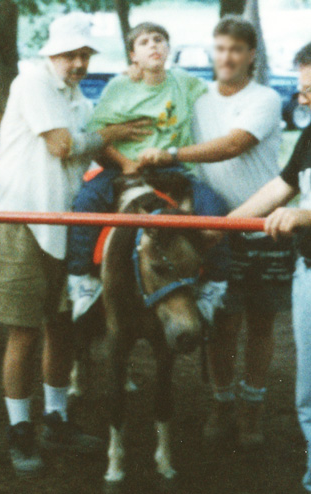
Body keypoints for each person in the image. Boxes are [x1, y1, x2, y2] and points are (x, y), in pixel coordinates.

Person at [0, 12, 150, 477]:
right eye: (70, 54)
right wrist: (112, 136)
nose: (78, 63)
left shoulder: (75, 97)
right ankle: (19, 429)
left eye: (84, 55)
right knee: (24, 330)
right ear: (51, 54)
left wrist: (129, 163)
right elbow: (64, 145)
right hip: (24, 221)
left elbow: (95, 138)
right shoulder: (30, 83)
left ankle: (56, 418)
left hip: (66, 225)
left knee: (62, 328)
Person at [138, 16, 287, 448]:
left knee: (261, 324)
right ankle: (222, 400)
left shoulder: (266, 97)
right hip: (213, 230)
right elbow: (157, 88)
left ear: (251, 55)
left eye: (236, 49)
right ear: (212, 51)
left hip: (264, 225)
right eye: (220, 48)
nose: (227, 57)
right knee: (222, 323)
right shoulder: (198, 99)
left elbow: (233, 144)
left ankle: (253, 405)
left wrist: (169, 153)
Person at [67, 22, 229, 323]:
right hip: (127, 168)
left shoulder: (184, 82)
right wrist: (125, 163)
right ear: (133, 55)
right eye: (144, 42)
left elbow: (221, 88)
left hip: (171, 168)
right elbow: (98, 135)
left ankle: (213, 284)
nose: (153, 45)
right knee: (87, 201)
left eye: (159, 40)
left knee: (214, 207)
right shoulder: (121, 87)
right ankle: (81, 277)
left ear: (168, 49)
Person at [228, 42, 311, 494]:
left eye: (310, 89)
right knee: (309, 398)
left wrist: (307, 217)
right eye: (301, 90)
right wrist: (220, 228)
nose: (302, 99)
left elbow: (299, 208)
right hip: (309, 276)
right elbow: (282, 187)